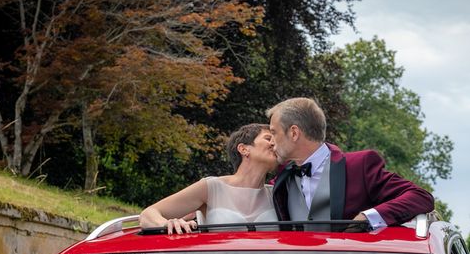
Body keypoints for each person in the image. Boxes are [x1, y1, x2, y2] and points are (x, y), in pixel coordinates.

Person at [266, 97, 434, 228]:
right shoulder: (283, 176)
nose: (271, 141)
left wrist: (368, 217)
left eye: (274, 132)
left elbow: (421, 197)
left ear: (294, 133)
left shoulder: (359, 166)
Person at [139, 123, 278, 234]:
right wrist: (166, 224)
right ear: (243, 149)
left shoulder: (277, 193)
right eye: (268, 138)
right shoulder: (211, 187)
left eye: (276, 140)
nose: (274, 144)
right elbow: (148, 214)